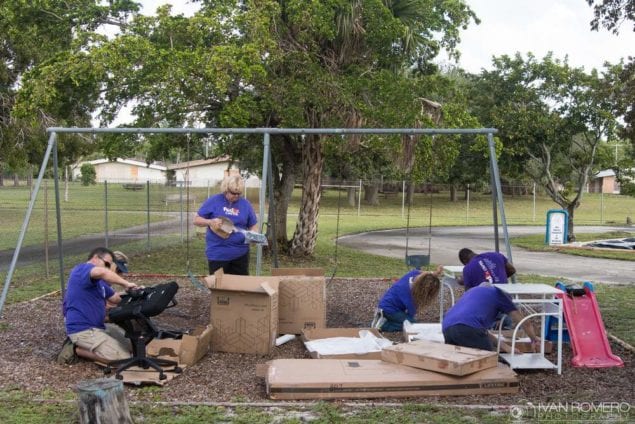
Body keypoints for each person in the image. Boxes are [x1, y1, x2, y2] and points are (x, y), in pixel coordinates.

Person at [61, 247, 139, 364]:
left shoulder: (98, 283)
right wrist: (126, 284)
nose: (107, 268)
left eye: (109, 266)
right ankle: (78, 350)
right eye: (107, 264)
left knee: (132, 346)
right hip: (83, 330)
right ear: (95, 258)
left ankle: (96, 346)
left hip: (98, 326)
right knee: (123, 359)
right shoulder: (82, 269)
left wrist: (137, 293)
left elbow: (116, 298)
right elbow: (103, 272)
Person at [442, 285, 541, 353]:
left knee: (457, 360)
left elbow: (482, 332)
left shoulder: (475, 291)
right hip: (466, 328)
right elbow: (525, 322)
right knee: (488, 360)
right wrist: (533, 339)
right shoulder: (502, 297)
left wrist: (507, 348)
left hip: (447, 326)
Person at [193, 175, 259, 275]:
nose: (236, 196)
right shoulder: (214, 201)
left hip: (240, 254)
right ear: (226, 189)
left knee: (240, 287)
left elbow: (253, 225)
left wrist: (253, 234)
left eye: (239, 193)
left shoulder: (246, 204)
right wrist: (210, 222)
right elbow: (196, 220)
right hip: (218, 254)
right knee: (219, 287)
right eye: (233, 193)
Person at [374, 265, 443, 332]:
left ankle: (388, 319)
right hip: (388, 309)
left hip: (387, 305)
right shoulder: (408, 294)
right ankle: (383, 325)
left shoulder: (414, 273)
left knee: (407, 320)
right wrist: (408, 319)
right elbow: (411, 314)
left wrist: (436, 273)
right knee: (411, 324)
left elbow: (427, 276)